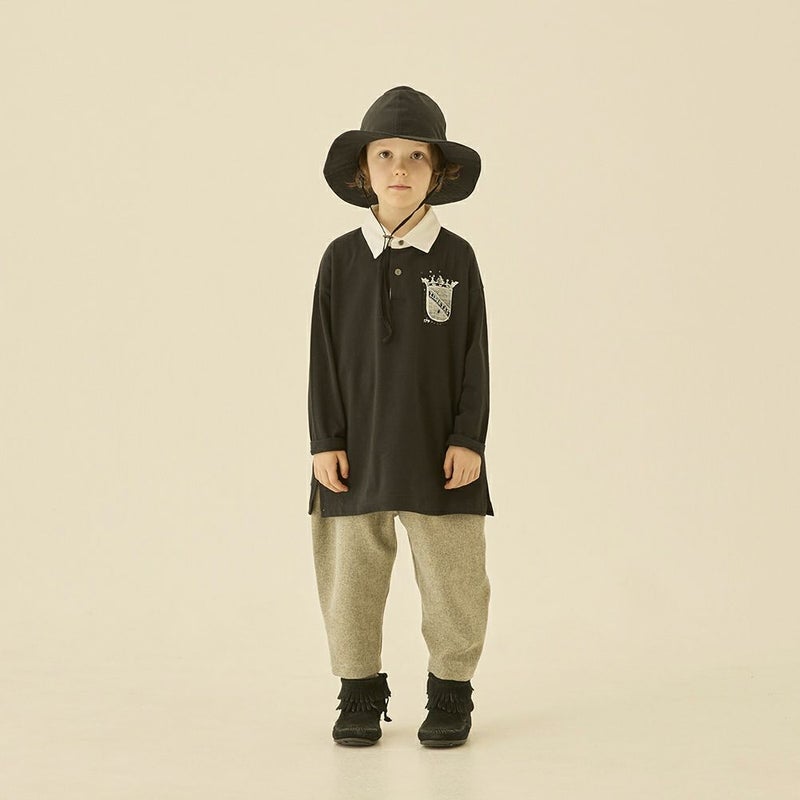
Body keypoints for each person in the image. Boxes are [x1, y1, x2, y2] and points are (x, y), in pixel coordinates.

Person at [307, 86, 493, 747]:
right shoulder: (340, 258)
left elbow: (474, 354)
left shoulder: (456, 257)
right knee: (351, 582)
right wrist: (325, 440)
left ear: (438, 171)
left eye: (416, 155)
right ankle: (358, 694)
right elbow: (323, 355)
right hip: (353, 452)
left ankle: (450, 694)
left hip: (441, 453)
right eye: (385, 154)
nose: (400, 168)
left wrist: (468, 437)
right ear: (364, 169)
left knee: (455, 581)